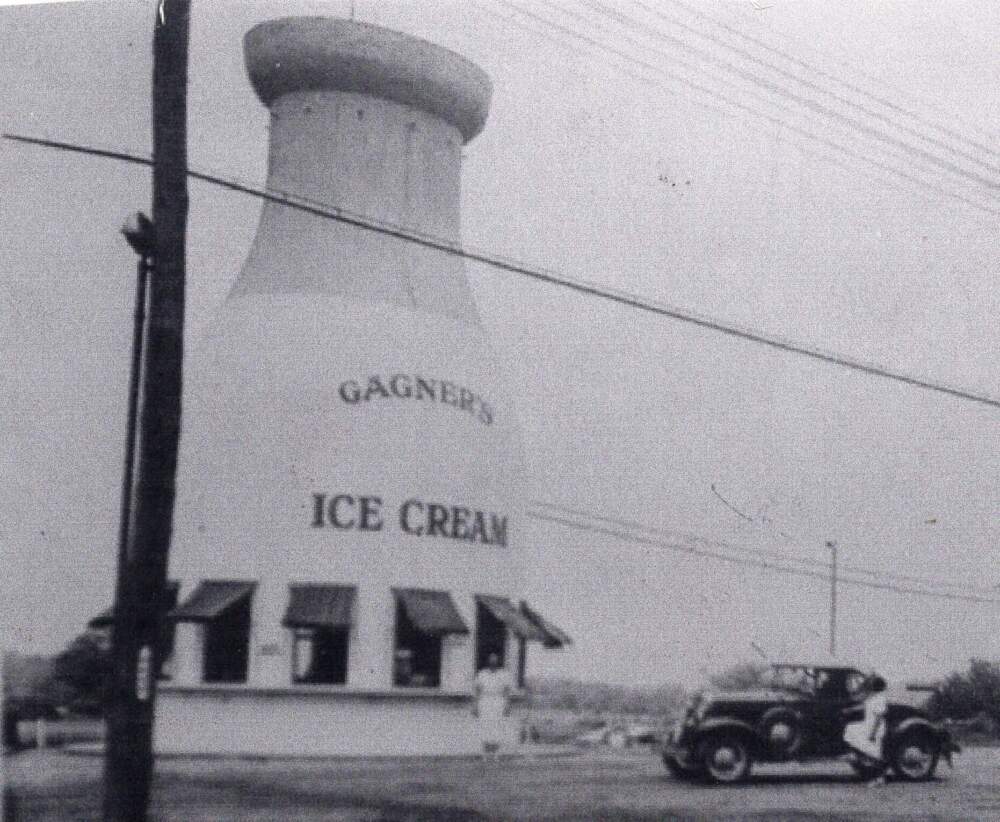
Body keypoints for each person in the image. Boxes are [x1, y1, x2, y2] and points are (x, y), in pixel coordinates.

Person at [843, 674, 889, 785]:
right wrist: (849, 710)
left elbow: (879, 717)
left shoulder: (881, 698)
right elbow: (864, 706)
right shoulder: (874, 697)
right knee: (851, 729)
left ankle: (878, 778)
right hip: (868, 725)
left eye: (872, 684)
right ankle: (871, 774)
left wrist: (873, 734)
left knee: (874, 754)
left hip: (875, 728)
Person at [473, 653, 512, 761]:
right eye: (491, 661)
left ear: (498, 662)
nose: (493, 663)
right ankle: (484, 754)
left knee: (498, 726)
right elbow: (477, 690)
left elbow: (507, 691)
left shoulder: (504, 674)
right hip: (485, 701)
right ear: (488, 662)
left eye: (495, 661)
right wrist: (475, 705)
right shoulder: (482, 674)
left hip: (499, 701)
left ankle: (496, 754)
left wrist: (507, 705)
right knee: (485, 726)